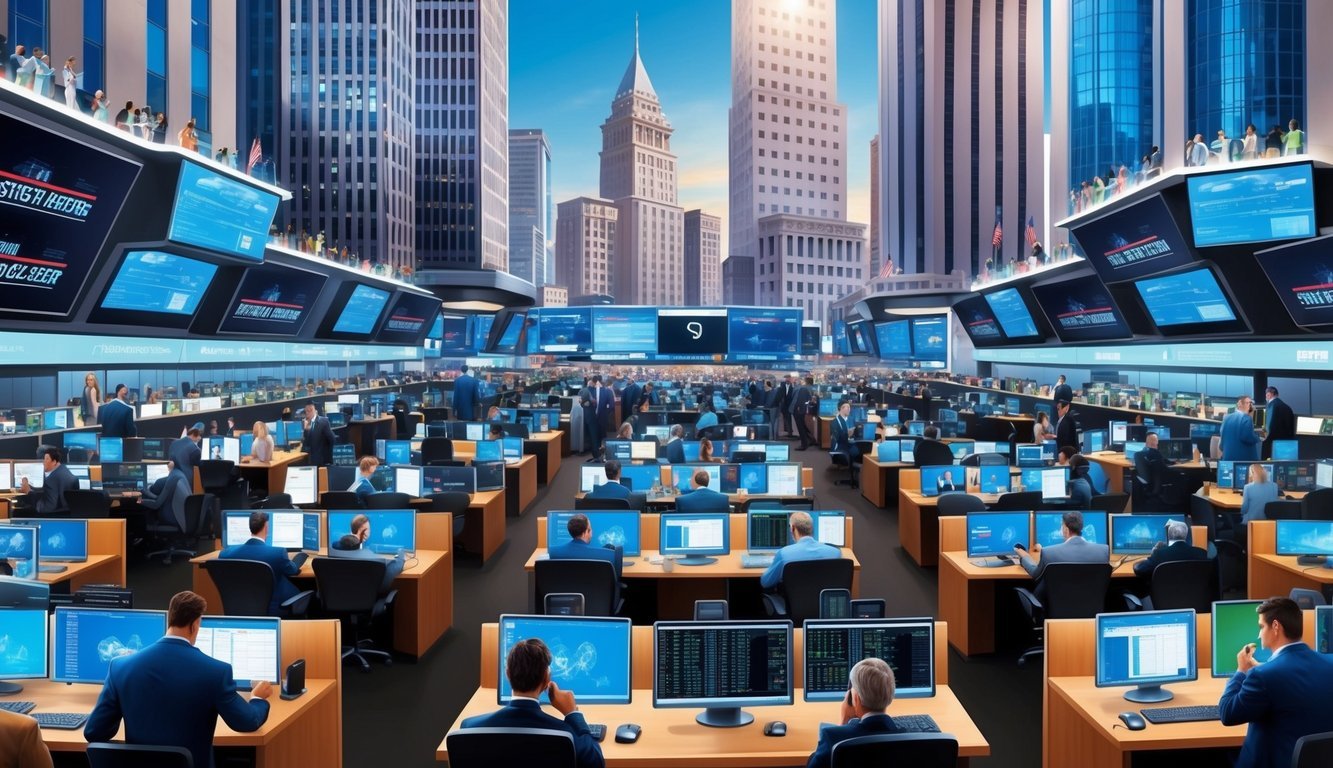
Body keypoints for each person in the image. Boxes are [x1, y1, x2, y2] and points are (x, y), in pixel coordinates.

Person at [84, 591, 272, 768]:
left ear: (170, 619)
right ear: (195, 625)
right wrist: (257, 698)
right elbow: (246, 722)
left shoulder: (120, 667)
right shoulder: (216, 671)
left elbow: (94, 732)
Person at [1219, 597, 1333, 768]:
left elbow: (1227, 713)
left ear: (1275, 627)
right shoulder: (1330, 663)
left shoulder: (1262, 676)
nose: (1259, 634)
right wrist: (1267, 668)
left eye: (1261, 627)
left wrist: (1241, 671)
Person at [461, 638, 605, 768]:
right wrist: (573, 714)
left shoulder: (469, 729)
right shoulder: (564, 735)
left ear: (508, 673)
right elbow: (596, 762)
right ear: (546, 679)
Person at [805, 657, 901, 768]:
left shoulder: (832, 737)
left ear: (855, 698)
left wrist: (843, 723)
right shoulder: (908, 737)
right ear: (891, 694)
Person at [218, 512, 303, 616]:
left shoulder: (226, 553)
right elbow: (293, 571)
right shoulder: (277, 553)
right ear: (266, 528)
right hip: (274, 608)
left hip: (238, 607)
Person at [1014, 511, 1109, 599]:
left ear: (1066, 530)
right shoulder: (1103, 551)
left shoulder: (1048, 553)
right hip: (1091, 608)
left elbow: (1035, 574)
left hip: (1054, 610)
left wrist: (1024, 555)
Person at [760, 511, 841, 589]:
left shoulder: (784, 554)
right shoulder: (835, 553)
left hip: (793, 602)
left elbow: (766, 582)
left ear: (792, 528)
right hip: (823, 602)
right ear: (811, 527)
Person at [330, 514, 406, 595]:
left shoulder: (332, 550)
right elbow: (388, 576)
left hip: (337, 600)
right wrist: (401, 557)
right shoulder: (372, 558)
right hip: (365, 602)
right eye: (367, 529)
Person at [548, 513, 621, 582]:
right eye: (590, 529)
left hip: (567, 593)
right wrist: (605, 550)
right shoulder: (610, 555)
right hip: (597, 594)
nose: (592, 531)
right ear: (585, 532)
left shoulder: (552, 552)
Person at [1132, 519, 1207, 584]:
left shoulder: (1159, 554)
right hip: (1195, 597)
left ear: (1169, 535)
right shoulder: (1201, 553)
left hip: (1163, 598)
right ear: (1186, 535)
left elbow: (1138, 569)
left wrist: (1152, 555)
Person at [18, 447, 77, 517]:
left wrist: (28, 492)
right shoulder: (66, 472)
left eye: (46, 459)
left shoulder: (51, 479)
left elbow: (45, 508)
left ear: (54, 462)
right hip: (68, 516)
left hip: (52, 519)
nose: (43, 462)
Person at [1221, 395, 1261, 461]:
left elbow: (1221, 443)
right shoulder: (1247, 419)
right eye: (1248, 403)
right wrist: (1258, 437)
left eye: (1251, 403)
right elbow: (1248, 437)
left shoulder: (1226, 418)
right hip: (1243, 461)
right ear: (1240, 404)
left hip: (1227, 460)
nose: (1250, 406)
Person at [1261, 386, 1295, 459]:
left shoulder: (1271, 406)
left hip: (1273, 445)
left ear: (1269, 395)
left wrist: (1263, 438)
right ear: (1277, 395)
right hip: (1287, 445)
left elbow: (1269, 428)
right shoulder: (1287, 407)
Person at [792, 376, 816, 450]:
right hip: (804, 410)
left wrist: (799, 409)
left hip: (799, 410)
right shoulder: (811, 388)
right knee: (803, 426)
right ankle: (811, 439)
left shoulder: (803, 389)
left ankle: (804, 445)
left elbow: (801, 401)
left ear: (806, 381)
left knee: (801, 427)